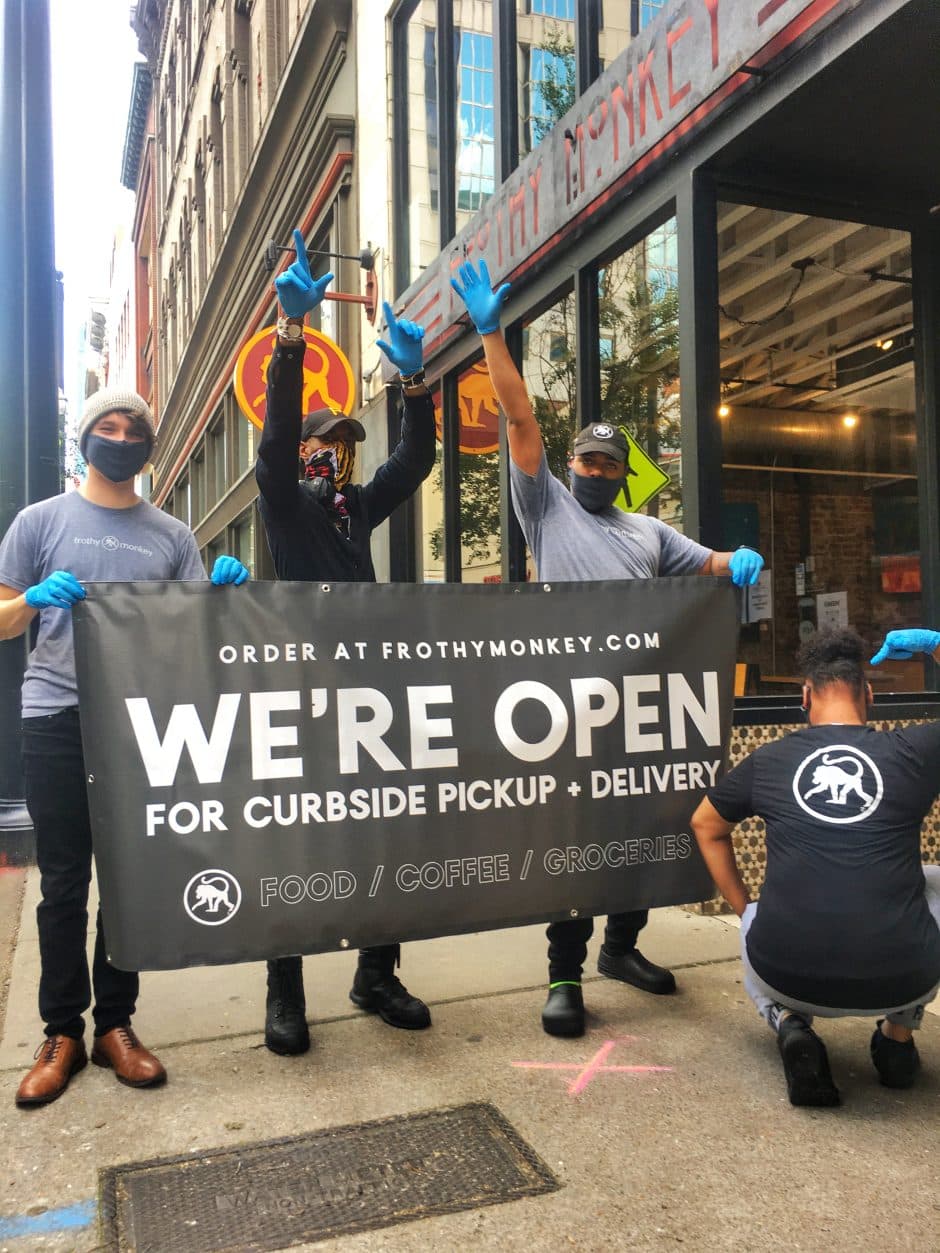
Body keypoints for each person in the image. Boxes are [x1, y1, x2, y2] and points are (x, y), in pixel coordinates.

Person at [449, 259, 764, 1038]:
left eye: (607, 464)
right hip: (566, 711)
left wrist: (742, 560)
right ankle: (564, 974)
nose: (594, 470)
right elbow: (520, 419)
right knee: (574, 841)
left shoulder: (648, 531)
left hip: (635, 710)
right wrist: (491, 334)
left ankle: (621, 947)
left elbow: (711, 564)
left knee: (645, 828)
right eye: (585, 460)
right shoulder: (546, 507)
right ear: (571, 466)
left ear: (624, 474)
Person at [0, 389, 250, 1108]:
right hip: (56, 718)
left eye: (131, 429)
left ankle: (115, 1024)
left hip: (140, 722)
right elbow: (2, 619)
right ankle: (61, 1033)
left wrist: (223, 594)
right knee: (63, 882)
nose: (118, 438)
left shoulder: (171, 535)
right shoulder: (38, 521)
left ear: (147, 445)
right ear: (85, 439)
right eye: (105, 427)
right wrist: (31, 601)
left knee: (128, 879)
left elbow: (196, 633)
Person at [254, 228, 437, 1055]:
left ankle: (376, 973)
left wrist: (413, 382)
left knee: (379, 830)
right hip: (299, 695)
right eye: (324, 443)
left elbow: (415, 459)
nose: (336, 453)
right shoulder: (286, 504)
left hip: (366, 696)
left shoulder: (356, 508)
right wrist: (290, 338)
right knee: (296, 841)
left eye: (344, 445)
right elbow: (270, 446)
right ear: (303, 452)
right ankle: (285, 990)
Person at [690, 626, 940, 1107]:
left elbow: (705, 824)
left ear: (805, 697)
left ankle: (788, 1021)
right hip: (901, 977)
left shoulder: (769, 760)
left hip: (786, 972)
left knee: (760, 913)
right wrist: (934, 646)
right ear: (869, 696)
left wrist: (745, 911)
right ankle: (898, 1036)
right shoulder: (914, 751)